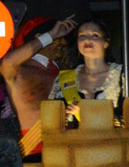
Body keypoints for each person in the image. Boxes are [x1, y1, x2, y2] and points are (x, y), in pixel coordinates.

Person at [0, 14, 77, 157]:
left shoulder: (69, 75)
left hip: (68, 152)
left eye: (62, 38)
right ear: (40, 37)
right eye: (57, 38)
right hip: (33, 154)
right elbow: (8, 62)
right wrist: (51, 35)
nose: (62, 43)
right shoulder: (21, 72)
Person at [49, 19, 126, 124]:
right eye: (82, 36)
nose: (87, 39)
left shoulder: (124, 76)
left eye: (94, 35)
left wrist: (88, 114)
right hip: (74, 140)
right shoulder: (62, 79)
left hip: (112, 140)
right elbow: (53, 119)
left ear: (106, 42)